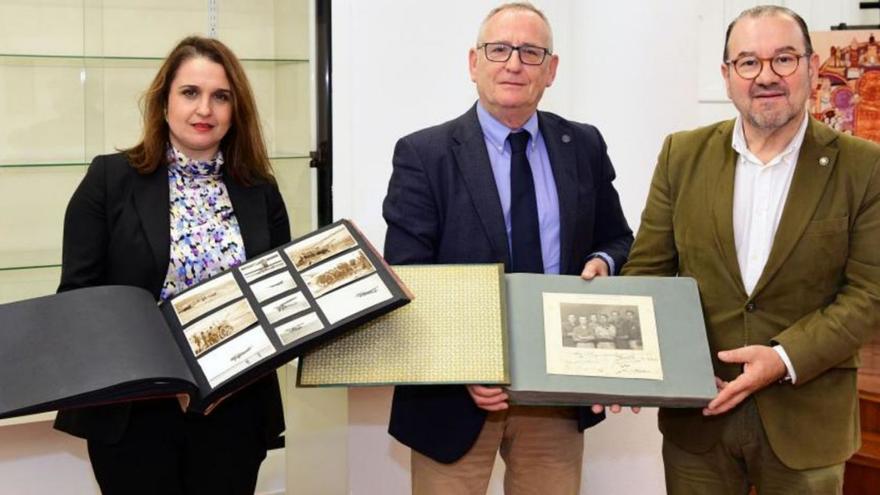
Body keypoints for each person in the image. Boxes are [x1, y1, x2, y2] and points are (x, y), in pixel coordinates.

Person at [621, 5, 880, 494]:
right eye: (748, 62)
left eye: (783, 59)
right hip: (699, 417)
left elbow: (870, 294)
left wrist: (783, 358)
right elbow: (647, 274)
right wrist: (626, 365)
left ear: (811, 65)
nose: (766, 76)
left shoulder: (863, 167)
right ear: (726, 75)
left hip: (807, 422)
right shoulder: (682, 154)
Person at [382, 2, 633, 493]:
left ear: (551, 70)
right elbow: (410, 278)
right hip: (452, 401)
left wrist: (603, 262)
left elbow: (618, 238)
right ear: (474, 63)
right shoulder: (423, 154)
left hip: (555, 396)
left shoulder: (583, 146)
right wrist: (464, 366)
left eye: (530, 52)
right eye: (499, 49)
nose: (514, 63)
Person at [53, 36, 289, 494]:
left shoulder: (260, 190)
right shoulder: (109, 180)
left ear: (235, 110)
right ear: (163, 103)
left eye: (221, 96)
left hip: (234, 412)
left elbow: (275, 296)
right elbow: (78, 304)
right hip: (136, 414)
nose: (205, 109)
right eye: (190, 93)